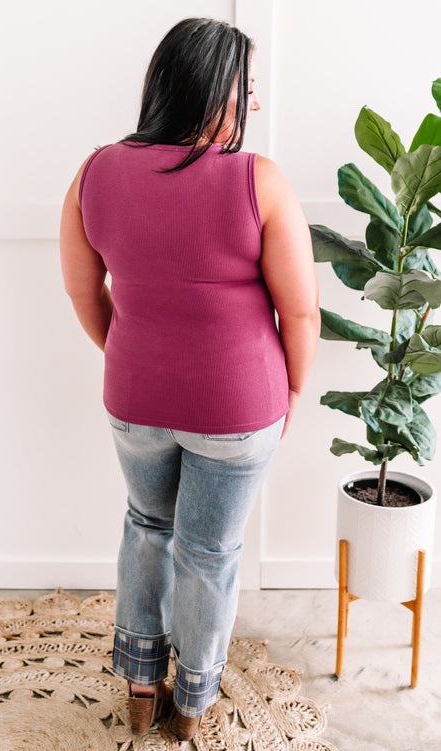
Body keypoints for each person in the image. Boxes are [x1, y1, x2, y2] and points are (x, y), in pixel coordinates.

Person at [60, 16, 320, 742]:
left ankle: (143, 682)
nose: (256, 104)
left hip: (134, 396)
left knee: (148, 525)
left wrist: (133, 353)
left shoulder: (94, 172)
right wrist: (292, 391)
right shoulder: (257, 181)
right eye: (249, 88)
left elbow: (86, 294)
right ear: (213, 89)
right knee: (209, 552)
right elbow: (300, 314)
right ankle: (194, 701)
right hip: (238, 407)